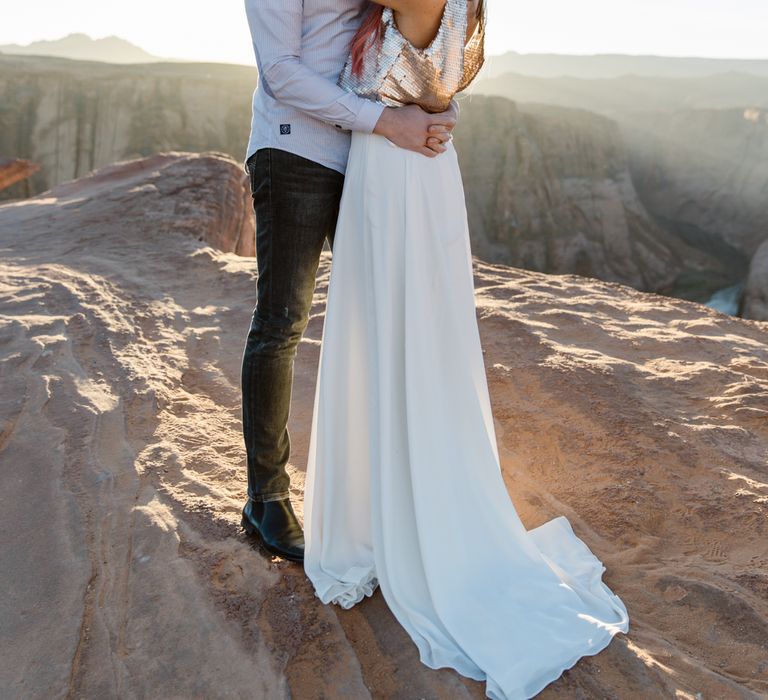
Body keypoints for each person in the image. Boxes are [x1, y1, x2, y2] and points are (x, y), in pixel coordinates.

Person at [302, 1, 631, 698]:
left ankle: (411, 521)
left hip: (397, 182)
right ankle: (385, 507)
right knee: (390, 338)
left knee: (405, 343)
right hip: (394, 173)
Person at [240, 0, 460, 562]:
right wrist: (390, 122)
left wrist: (437, 106)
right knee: (282, 323)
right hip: (297, 150)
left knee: (379, 316)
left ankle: (375, 495)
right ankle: (266, 498)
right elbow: (281, 70)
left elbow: (407, 34)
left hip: (374, 157)